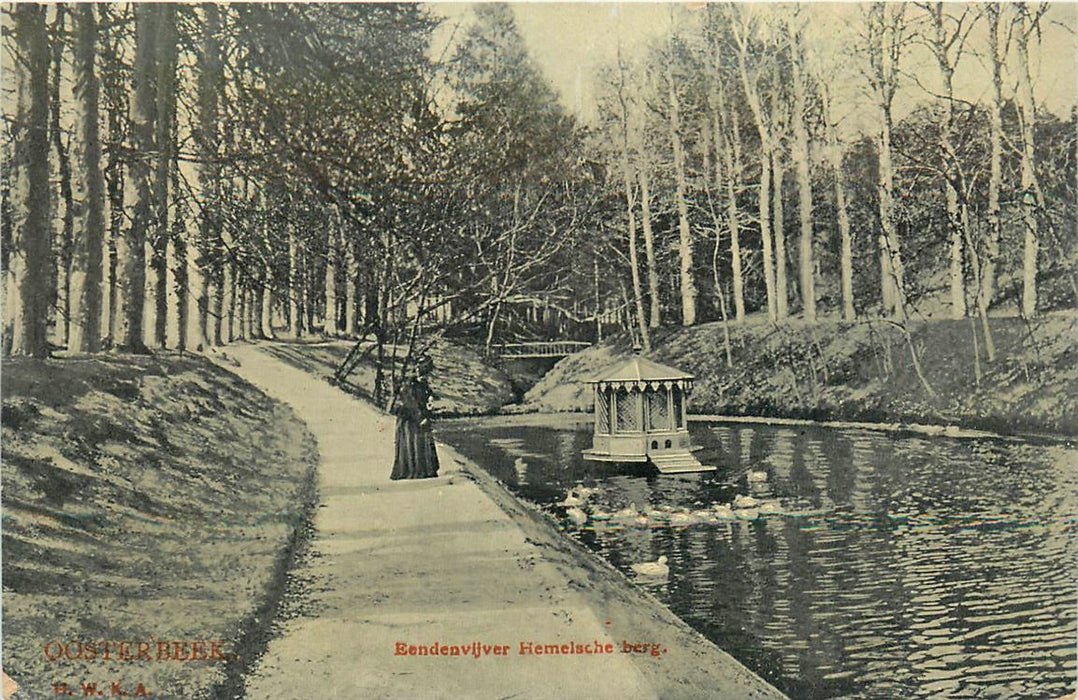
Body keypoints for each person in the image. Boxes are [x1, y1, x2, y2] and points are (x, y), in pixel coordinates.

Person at [390, 359, 439, 480]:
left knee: (422, 443)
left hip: (418, 416)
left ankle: (425, 470)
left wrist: (430, 399)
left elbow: (427, 395)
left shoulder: (422, 383)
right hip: (409, 419)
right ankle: (413, 472)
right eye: (427, 374)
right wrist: (421, 417)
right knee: (413, 444)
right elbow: (410, 403)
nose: (428, 378)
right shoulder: (409, 385)